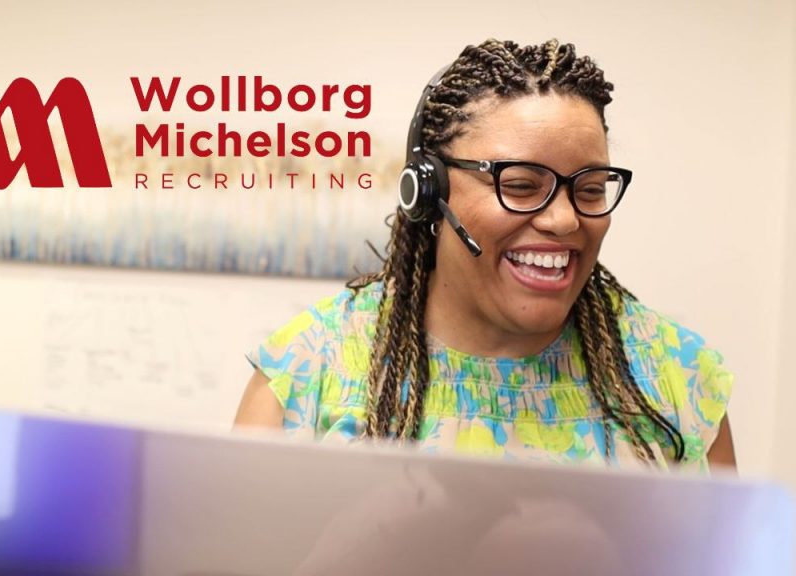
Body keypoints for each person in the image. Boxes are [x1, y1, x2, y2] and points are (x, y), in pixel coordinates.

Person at [234, 39, 735, 472]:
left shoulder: (678, 379)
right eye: (519, 185)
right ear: (429, 193)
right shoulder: (309, 370)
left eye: (589, 189)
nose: (564, 221)